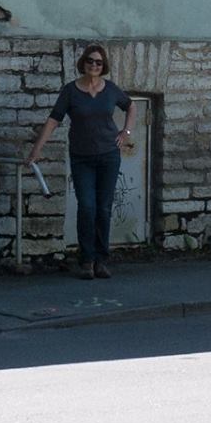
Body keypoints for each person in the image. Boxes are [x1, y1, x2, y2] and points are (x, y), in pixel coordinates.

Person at [25, 43, 135, 280]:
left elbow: (130, 106)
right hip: (82, 158)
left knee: (103, 208)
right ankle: (86, 261)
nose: (94, 65)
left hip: (108, 156)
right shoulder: (70, 91)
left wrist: (125, 133)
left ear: (103, 66)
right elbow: (54, 120)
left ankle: (101, 260)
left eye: (98, 62)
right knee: (87, 206)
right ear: (83, 63)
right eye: (90, 61)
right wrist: (37, 149)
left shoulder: (110, 89)